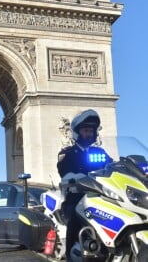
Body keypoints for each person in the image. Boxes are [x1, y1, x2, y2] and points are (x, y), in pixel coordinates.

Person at [57, 109, 112, 261]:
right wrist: (72, 177)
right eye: (85, 130)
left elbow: (113, 166)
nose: (89, 134)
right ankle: (70, 255)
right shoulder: (67, 153)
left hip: (101, 195)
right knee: (76, 216)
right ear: (77, 132)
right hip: (77, 197)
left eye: (91, 131)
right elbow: (64, 171)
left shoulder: (99, 152)